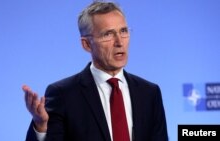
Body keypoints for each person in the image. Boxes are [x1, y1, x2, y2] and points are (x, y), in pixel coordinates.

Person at [23, 1, 168, 141]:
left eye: (123, 31)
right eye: (108, 34)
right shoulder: (63, 94)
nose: (119, 42)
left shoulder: (149, 93)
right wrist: (41, 126)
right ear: (86, 44)